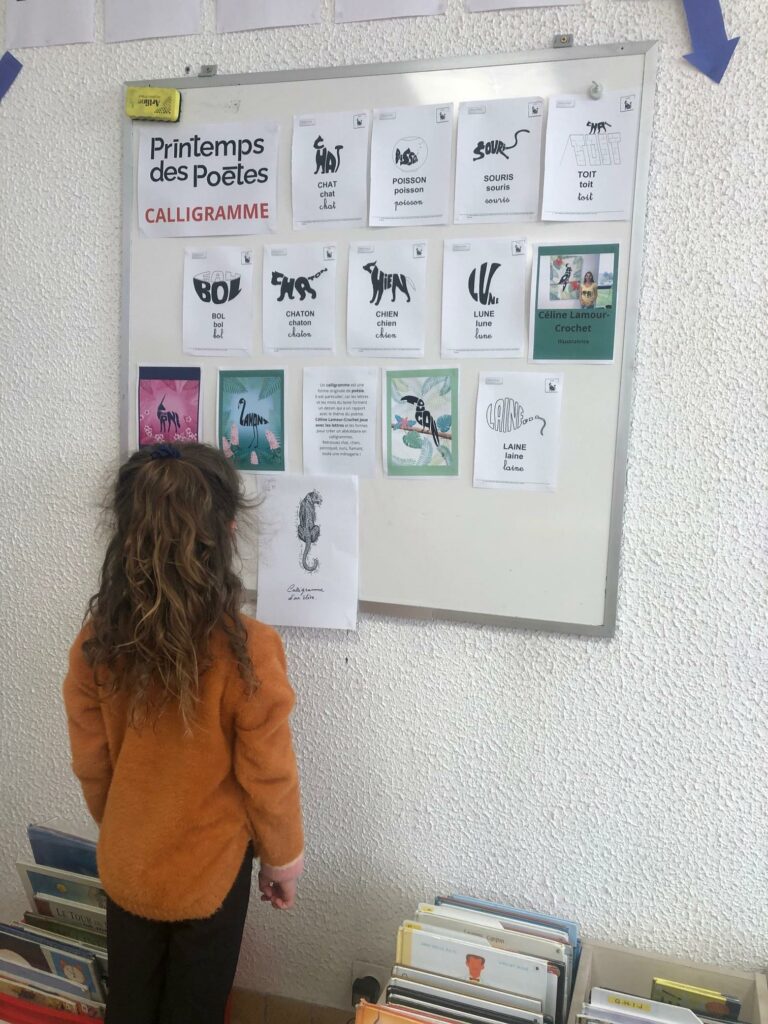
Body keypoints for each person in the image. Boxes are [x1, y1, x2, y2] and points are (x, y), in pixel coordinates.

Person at [62, 442, 304, 1024]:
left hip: (128, 863)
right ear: (226, 531)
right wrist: (281, 861)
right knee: (194, 1008)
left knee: (130, 1002)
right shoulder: (249, 650)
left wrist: (125, 822)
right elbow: (269, 774)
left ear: (126, 535)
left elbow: (91, 761)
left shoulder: (98, 641)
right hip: (211, 875)